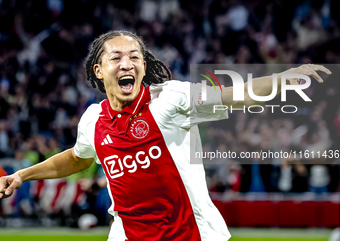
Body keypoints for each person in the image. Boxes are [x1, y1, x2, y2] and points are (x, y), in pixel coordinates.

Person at [0, 30, 331, 240]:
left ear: (144, 67)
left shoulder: (172, 98)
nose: (127, 63)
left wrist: (284, 77)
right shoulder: (92, 119)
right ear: (99, 72)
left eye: (135, 57)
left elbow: (236, 94)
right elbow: (76, 156)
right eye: (116, 57)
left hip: (191, 234)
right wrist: (22, 175)